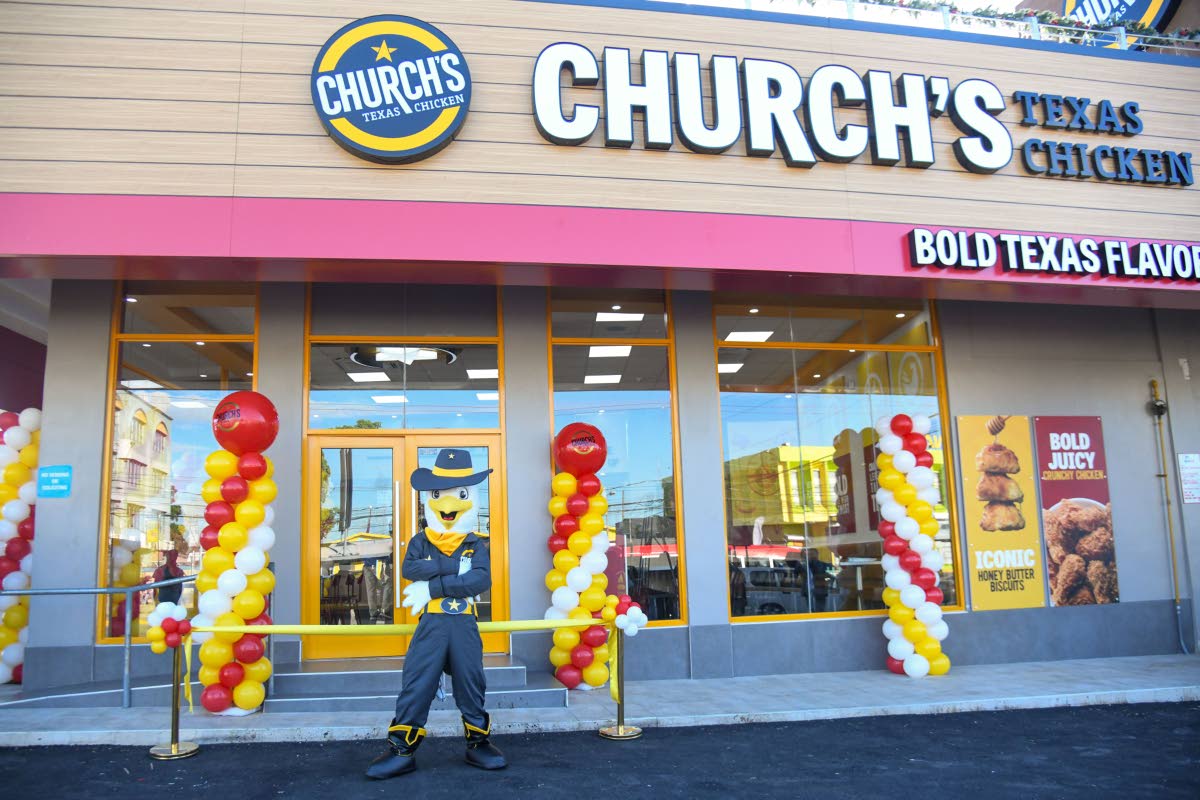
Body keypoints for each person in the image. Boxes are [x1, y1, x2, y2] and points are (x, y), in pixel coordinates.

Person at [366, 449, 507, 779]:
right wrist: (453, 573)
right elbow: (409, 568)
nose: (449, 504)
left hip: (463, 622)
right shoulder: (419, 540)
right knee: (417, 682)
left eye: (460, 494)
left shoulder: (476, 543)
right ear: (429, 498)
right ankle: (402, 748)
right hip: (431, 623)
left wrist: (433, 586)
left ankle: (478, 743)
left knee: (471, 681)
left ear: (470, 497)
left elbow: (481, 579)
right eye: (439, 494)